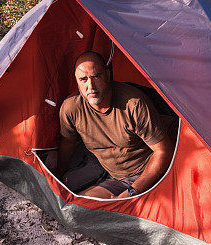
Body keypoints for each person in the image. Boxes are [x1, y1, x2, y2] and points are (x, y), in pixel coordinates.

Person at [54, 51, 174, 198]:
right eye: (83, 79)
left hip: (139, 174)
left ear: (108, 75)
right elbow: (68, 143)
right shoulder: (71, 107)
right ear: (77, 82)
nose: (90, 86)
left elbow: (163, 151)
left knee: (96, 212)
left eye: (96, 76)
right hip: (102, 166)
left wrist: (132, 191)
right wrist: (58, 175)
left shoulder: (133, 104)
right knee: (72, 204)